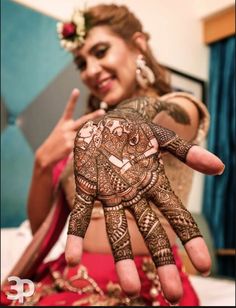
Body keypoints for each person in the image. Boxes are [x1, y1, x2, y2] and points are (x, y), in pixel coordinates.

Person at [1, 4, 224, 306]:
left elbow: (175, 114)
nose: (91, 70)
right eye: (81, 63)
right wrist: (42, 163)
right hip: (67, 279)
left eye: (101, 51)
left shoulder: (174, 107)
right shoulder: (85, 137)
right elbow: (42, 227)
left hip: (148, 281)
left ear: (138, 45)